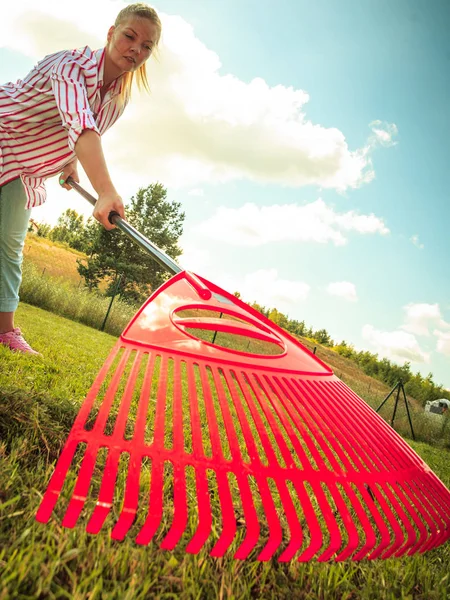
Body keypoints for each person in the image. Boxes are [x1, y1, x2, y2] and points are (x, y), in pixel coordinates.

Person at [0, 3, 161, 354]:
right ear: (111, 33)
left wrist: (69, 162)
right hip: (3, 131)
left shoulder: (118, 99)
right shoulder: (72, 65)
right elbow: (81, 124)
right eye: (129, 36)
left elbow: (82, 134)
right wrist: (105, 190)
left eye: (146, 46)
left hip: (25, 167)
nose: (136, 48)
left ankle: (4, 331)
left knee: (9, 246)